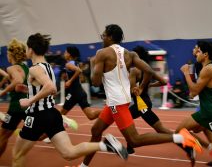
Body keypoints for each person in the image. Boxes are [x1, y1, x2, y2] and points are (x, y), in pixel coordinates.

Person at [80, 24, 201, 167]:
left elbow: (95, 82)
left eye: (103, 36)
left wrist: (93, 63)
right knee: (96, 130)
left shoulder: (102, 53)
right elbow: (149, 70)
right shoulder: (130, 54)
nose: (102, 38)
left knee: (134, 140)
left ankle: (179, 138)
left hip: (116, 103)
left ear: (110, 37)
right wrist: (142, 87)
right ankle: (84, 165)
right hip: (119, 102)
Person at [12, 33, 128, 167]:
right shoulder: (48, 67)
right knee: (69, 152)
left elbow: (50, 88)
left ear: (30, 49)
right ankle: (104, 145)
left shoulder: (34, 69)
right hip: (52, 114)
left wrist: (29, 101)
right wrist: (27, 90)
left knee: (17, 155)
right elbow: (45, 87)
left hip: (37, 116)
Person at [126, 46, 172, 154]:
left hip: (142, 105)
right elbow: (164, 82)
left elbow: (132, 91)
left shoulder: (134, 70)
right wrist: (149, 85)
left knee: (160, 130)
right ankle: (129, 146)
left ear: (136, 56)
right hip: (144, 103)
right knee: (127, 119)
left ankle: (183, 140)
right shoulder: (148, 70)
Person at [0, 39, 29, 157]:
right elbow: (15, 77)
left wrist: (2, 93)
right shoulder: (25, 68)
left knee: (3, 135)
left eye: (7, 52)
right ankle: (60, 123)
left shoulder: (11, 68)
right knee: (39, 134)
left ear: (11, 54)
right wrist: (4, 78)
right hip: (27, 104)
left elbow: (18, 80)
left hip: (16, 107)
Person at [61, 46, 101, 120]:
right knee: (91, 116)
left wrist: (70, 81)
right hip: (80, 93)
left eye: (65, 52)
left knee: (60, 115)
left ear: (69, 54)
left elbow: (79, 71)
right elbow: (81, 77)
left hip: (73, 94)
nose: (64, 54)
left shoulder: (68, 64)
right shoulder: (76, 63)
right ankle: (108, 112)